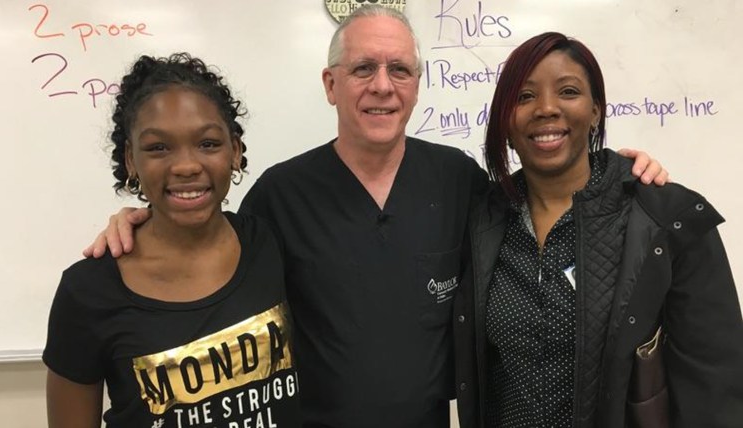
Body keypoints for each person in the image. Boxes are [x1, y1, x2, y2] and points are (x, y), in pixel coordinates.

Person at [83, 7, 668, 428]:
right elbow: (207, 251)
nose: (382, 87)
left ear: (417, 87)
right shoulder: (280, 196)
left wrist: (614, 167)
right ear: (330, 84)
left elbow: (544, 191)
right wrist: (142, 220)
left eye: (399, 70)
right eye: (363, 69)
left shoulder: (460, 182)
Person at [453, 32, 743, 428]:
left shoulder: (665, 221)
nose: (546, 109)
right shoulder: (482, 223)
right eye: (524, 97)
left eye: (568, 91)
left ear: (595, 111)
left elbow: (715, 385)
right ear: (505, 120)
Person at [43, 53, 301, 428]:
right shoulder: (88, 291)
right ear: (131, 159)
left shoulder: (268, 240)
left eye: (208, 144)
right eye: (158, 148)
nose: (185, 166)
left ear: (236, 150)